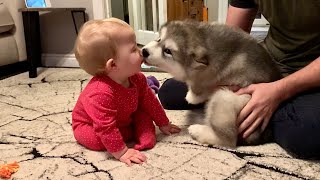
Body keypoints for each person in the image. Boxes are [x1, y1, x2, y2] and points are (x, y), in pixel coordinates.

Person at [158, 0, 320, 159]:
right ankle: (251, 113)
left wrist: (277, 92)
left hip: (310, 74)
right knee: (169, 92)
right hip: (267, 63)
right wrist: (222, 80)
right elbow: (231, 39)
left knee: (306, 134)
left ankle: (257, 119)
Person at [72, 18, 181, 166]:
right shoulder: (100, 93)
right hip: (90, 125)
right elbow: (105, 127)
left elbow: (151, 102)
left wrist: (163, 123)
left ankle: (134, 132)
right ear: (113, 64)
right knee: (97, 140)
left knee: (143, 111)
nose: (141, 51)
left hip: (124, 117)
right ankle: (127, 134)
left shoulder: (138, 79)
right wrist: (122, 151)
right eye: (133, 49)